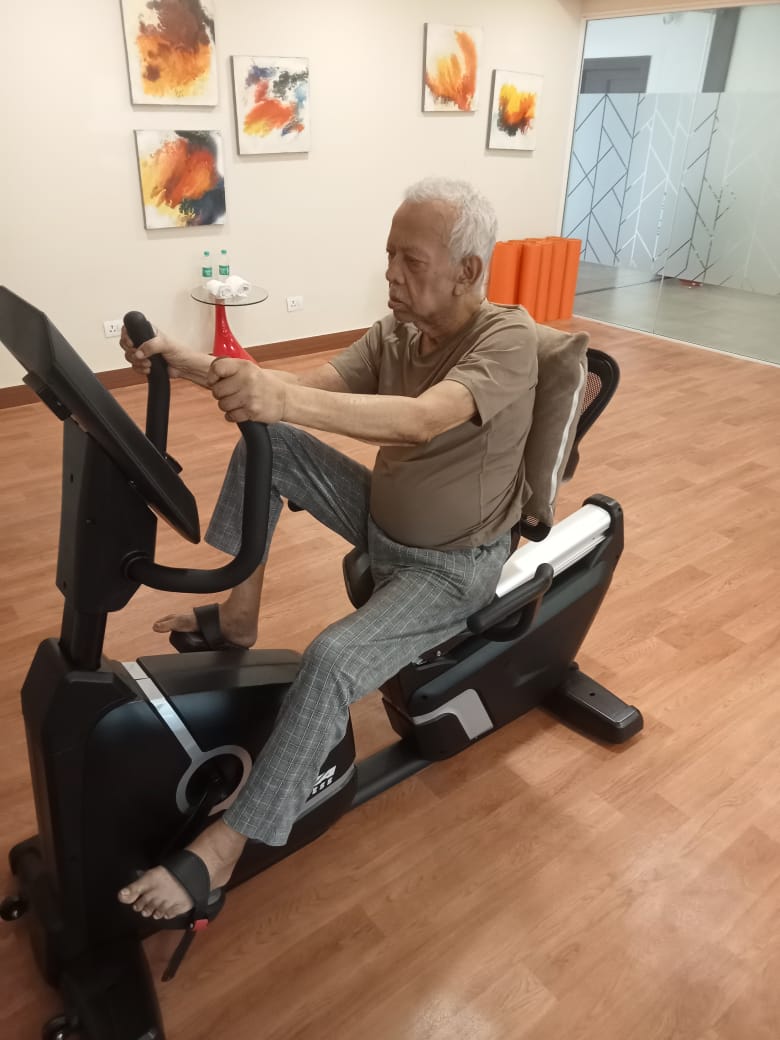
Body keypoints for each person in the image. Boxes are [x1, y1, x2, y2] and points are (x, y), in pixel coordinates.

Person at [117, 177, 538, 922]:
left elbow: (418, 420)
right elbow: (299, 387)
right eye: (388, 257)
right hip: (384, 521)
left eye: (411, 262)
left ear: (469, 271)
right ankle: (240, 613)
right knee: (272, 440)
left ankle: (224, 851)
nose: (391, 276)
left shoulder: (506, 342)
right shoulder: (399, 334)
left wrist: (282, 399)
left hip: (450, 569)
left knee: (332, 660)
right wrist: (182, 361)